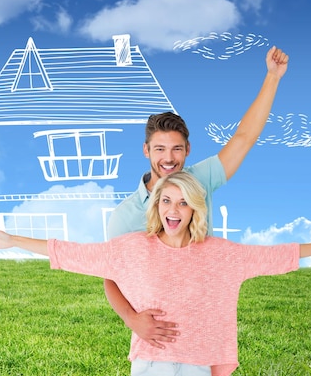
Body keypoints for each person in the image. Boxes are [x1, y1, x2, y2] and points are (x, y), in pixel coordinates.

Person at [0, 171, 311, 376]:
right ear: (157, 206)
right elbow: (70, 253)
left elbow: (275, 256)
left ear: (194, 209)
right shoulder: (132, 248)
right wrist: (12, 239)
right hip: (150, 366)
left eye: (183, 202)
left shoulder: (220, 254)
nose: (173, 209)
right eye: (166, 200)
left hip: (196, 366)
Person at [105, 45, 290, 348]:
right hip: (157, 334)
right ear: (146, 151)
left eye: (177, 149)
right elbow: (111, 276)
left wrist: (272, 77)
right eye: (160, 149)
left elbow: (244, 138)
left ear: (187, 151)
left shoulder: (200, 179)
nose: (168, 158)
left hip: (206, 322)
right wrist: (131, 318)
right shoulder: (125, 215)